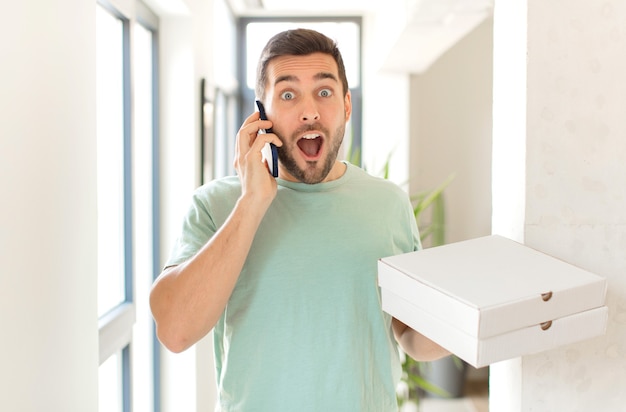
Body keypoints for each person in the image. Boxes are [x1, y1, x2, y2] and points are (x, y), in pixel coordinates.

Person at [150, 28, 449, 411]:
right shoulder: (217, 204)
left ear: (346, 106)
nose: (309, 111)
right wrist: (252, 201)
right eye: (288, 95)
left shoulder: (388, 203)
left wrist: (479, 326)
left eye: (324, 92)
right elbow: (175, 330)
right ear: (263, 114)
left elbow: (409, 335)